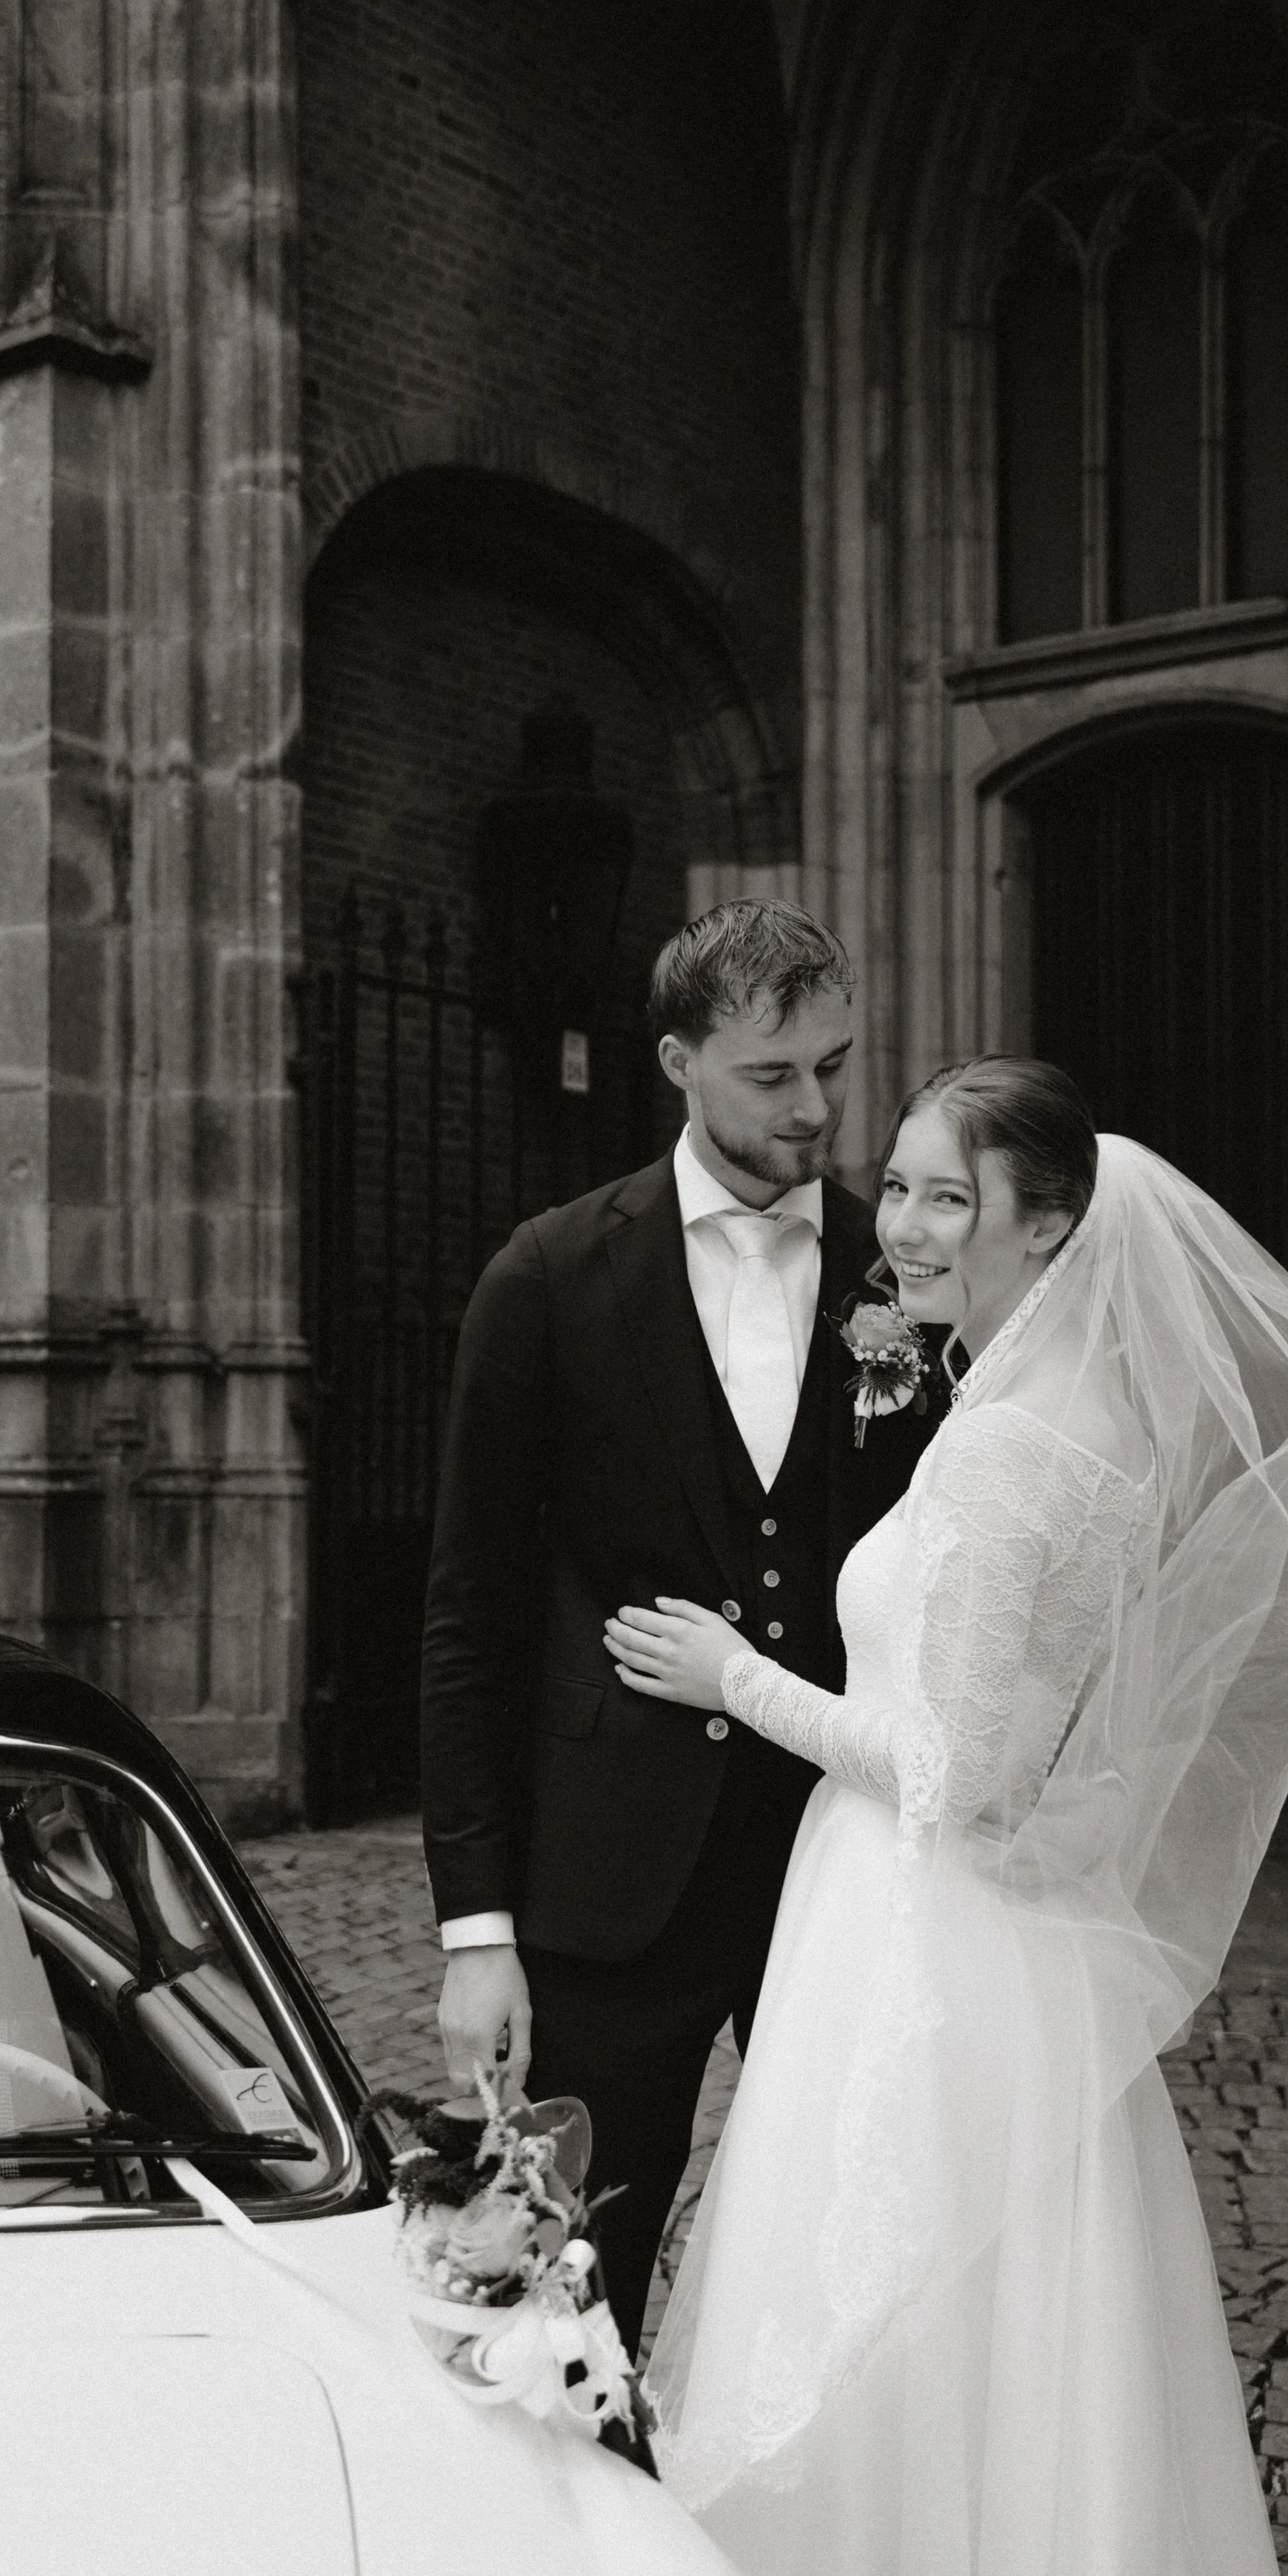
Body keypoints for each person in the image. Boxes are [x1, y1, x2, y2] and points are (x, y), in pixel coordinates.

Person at [606, 1057, 1288, 2576]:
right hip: (930, 1936)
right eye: (893, 1188)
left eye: (946, 1197)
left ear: (1051, 1226)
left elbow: (956, 1778)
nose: (899, 1225)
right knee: (985, 2355)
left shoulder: (1029, 1454)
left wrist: (735, 1678)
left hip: (923, 1937)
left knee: (906, 2344)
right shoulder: (1035, 1410)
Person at [419, 901, 938, 2359]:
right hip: (604, 1893)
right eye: (772, 1076)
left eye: (832, 1067)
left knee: (853, 2288)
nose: (816, 1109)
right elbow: (470, 1619)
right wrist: (477, 1932)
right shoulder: (545, 1279)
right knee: (551, 2297)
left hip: (834, 1870)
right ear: (675, 1062)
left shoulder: (899, 1282)